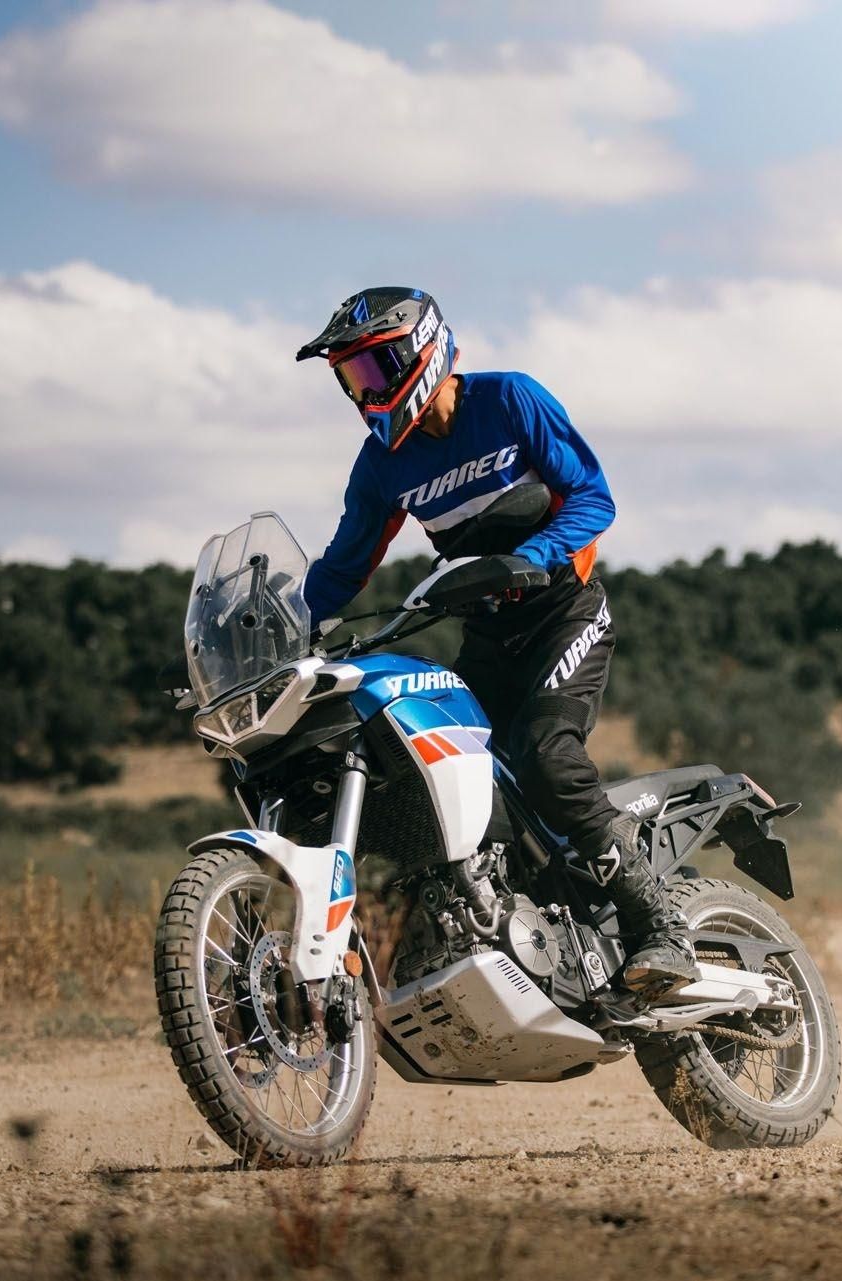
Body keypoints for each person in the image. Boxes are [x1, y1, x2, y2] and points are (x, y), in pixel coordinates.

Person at [295, 286, 696, 996]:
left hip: (563, 613)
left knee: (546, 755)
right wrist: (289, 623)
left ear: (423, 349)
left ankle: (662, 925)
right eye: (350, 378)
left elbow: (594, 497)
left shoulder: (510, 400)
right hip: (487, 634)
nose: (365, 391)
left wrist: (533, 556)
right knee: (445, 781)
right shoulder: (383, 464)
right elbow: (344, 566)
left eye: (374, 368)